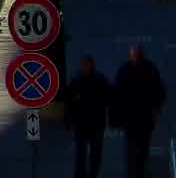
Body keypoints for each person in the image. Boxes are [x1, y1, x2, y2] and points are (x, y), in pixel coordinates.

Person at [113, 43, 166, 178]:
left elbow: (159, 90)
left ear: (142, 55)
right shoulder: (124, 70)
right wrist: (117, 116)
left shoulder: (150, 68)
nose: (136, 57)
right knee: (131, 148)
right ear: (130, 55)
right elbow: (117, 94)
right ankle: (133, 174)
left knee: (143, 147)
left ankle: (140, 172)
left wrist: (156, 108)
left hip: (145, 116)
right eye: (134, 55)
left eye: (138, 54)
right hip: (130, 117)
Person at [64, 55, 110, 178]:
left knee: (95, 155)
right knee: (81, 155)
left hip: (96, 124)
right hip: (81, 124)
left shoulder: (100, 81)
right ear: (83, 66)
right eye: (86, 64)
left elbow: (110, 98)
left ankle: (92, 175)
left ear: (93, 65)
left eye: (89, 64)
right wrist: (68, 120)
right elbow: (69, 102)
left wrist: (111, 118)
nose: (88, 67)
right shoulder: (76, 82)